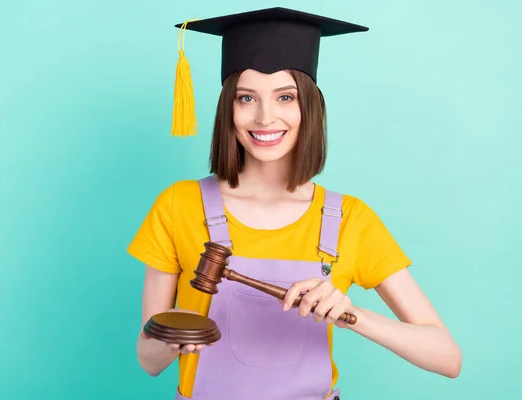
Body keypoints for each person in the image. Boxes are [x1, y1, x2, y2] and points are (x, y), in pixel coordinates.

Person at [127, 7, 462, 400]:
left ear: (309, 106)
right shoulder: (179, 206)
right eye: (246, 98)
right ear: (228, 110)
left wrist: (351, 316)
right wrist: (175, 339)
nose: (265, 117)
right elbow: (149, 361)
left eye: (285, 97)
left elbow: (447, 359)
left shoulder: (349, 219)